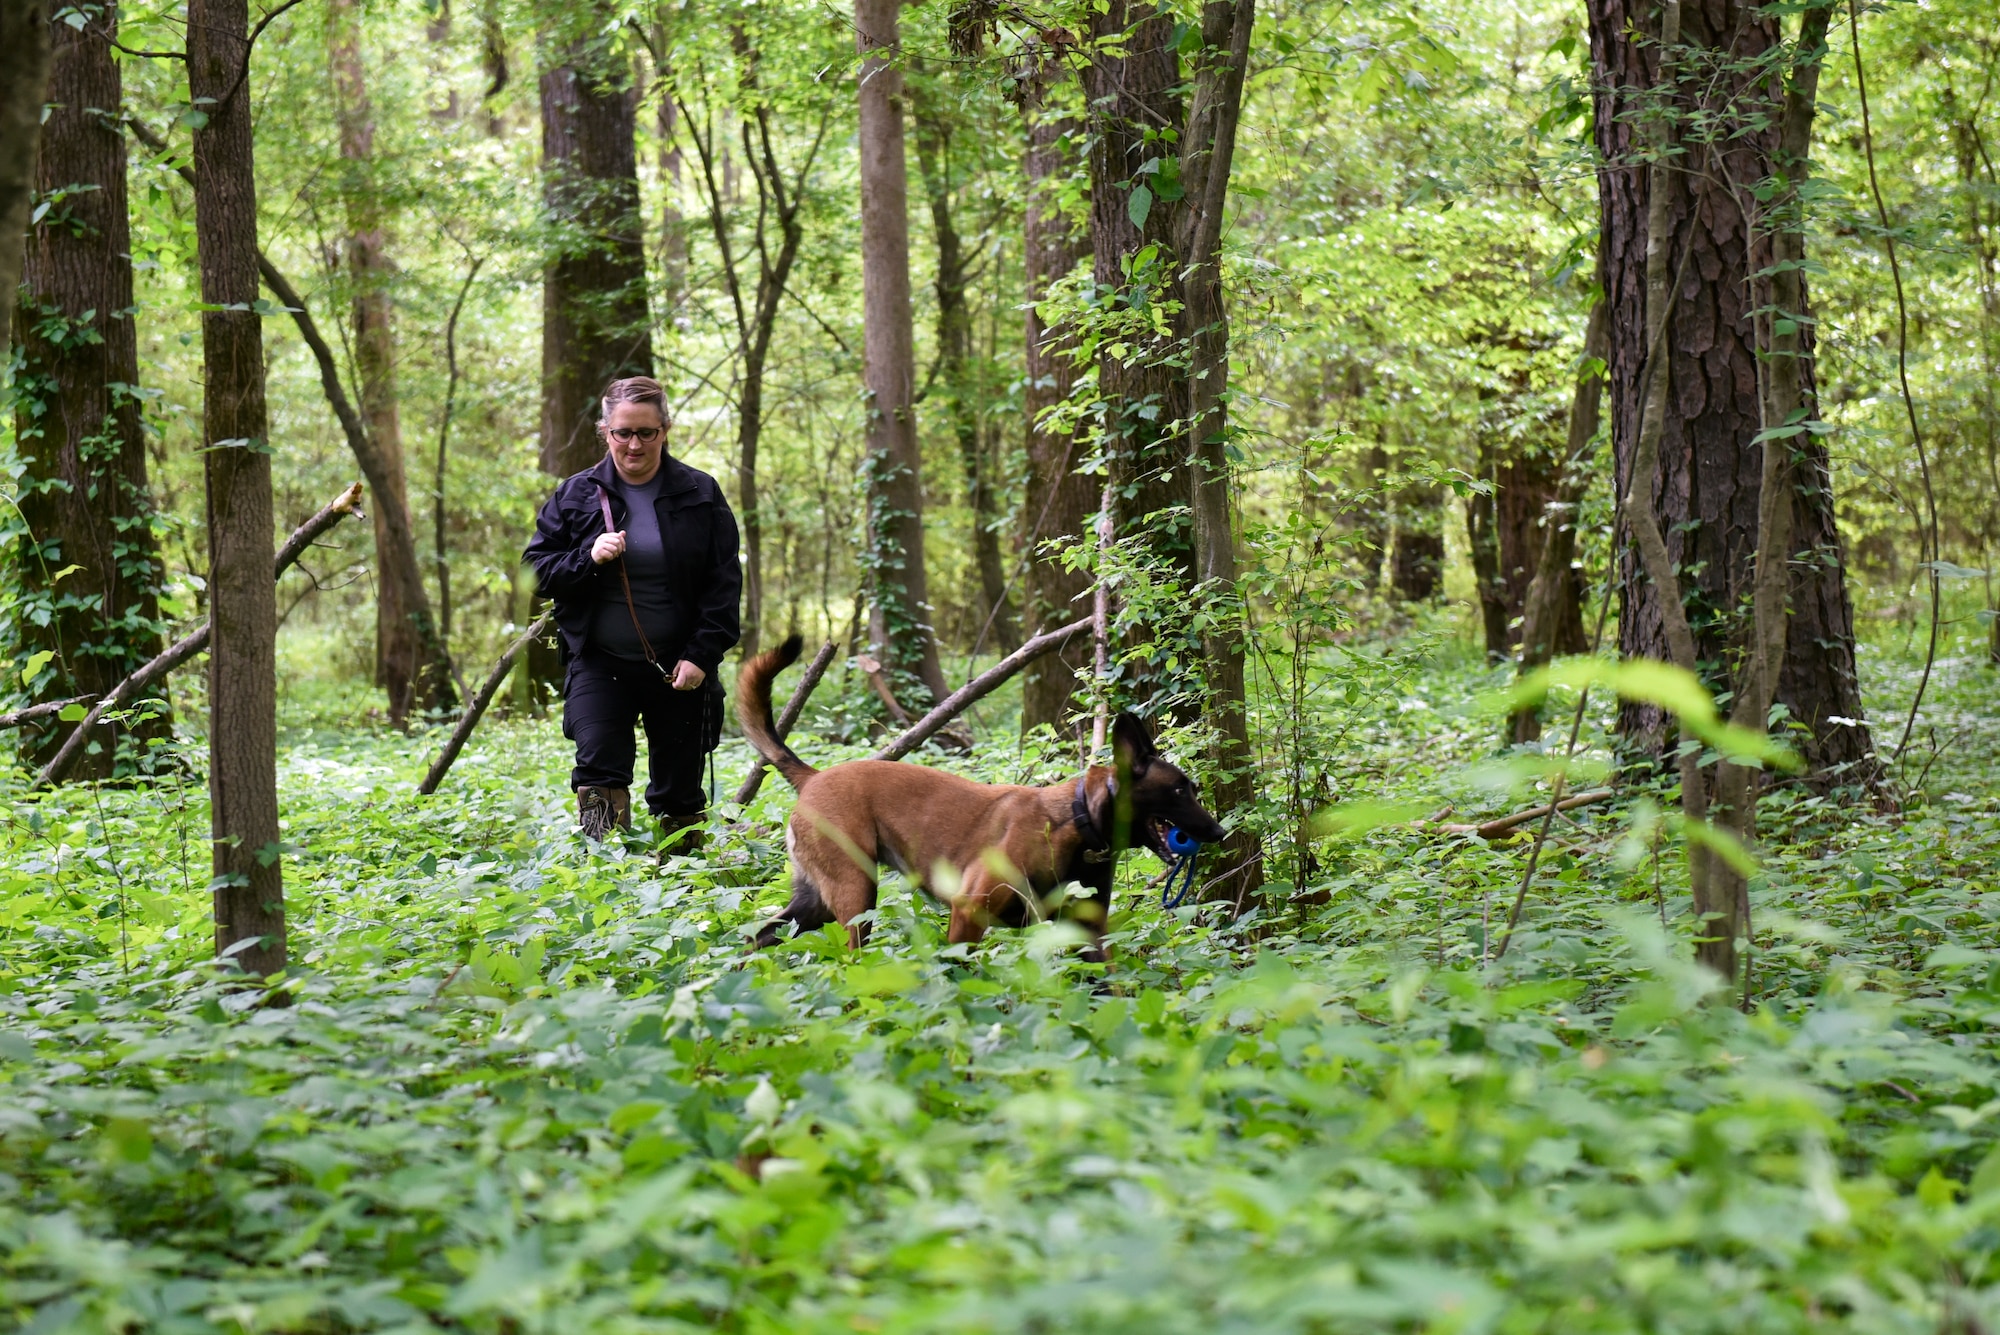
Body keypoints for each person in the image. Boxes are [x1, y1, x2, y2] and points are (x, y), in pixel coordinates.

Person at [524, 376, 741, 846]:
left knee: (681, 791)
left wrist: (701, 656)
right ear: (605, 431)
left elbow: (723, 587)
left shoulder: (700, 494)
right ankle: (609, 874)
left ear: (665, 429)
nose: (634, 443)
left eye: (647, 432)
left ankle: (682, 880)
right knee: (598, 771)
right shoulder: (575, 495)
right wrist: (588, 557)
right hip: (600, 662)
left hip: (680, 664)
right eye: (623, 432)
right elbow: (535, 571)